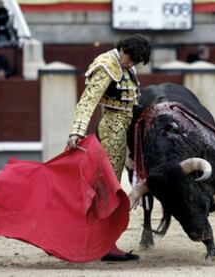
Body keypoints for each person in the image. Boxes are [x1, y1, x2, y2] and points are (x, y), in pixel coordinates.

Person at [67, 34, 151, 262]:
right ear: (122, 48)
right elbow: (88, 100)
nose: (130, 63)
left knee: (109, 185)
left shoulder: (124, 67)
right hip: (112, 129)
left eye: (134, 62)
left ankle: (102, 241)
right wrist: (77, 130)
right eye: (129, 58)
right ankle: (105, 245)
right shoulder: (106, 65)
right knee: (109, 187)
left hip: (123, 128)